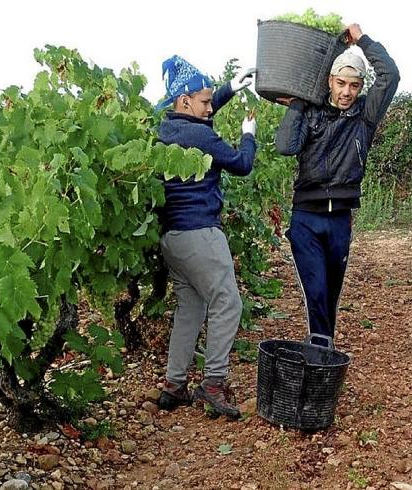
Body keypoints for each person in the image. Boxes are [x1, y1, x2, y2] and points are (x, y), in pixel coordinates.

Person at [275, 23, 400, 344]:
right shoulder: (312, 112)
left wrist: (362, 41)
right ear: (329, 81)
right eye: (341, 83)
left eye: (354, 85)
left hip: (340, 219)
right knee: (315, 287)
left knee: (329, 293)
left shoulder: (364, 117)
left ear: (360, 87)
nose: (346, 92)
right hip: (306, 217)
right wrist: (299, 103)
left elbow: (390, 76)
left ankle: (322, 351)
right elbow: (286, 145)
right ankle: (320, 349)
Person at [154, 55, 258, 419]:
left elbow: (197, 115)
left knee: (190, 308)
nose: (210, 106)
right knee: (228, 303)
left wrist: (230, 87)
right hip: (201, 234)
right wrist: (249, 137)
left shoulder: (163, 128)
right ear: (184, 101)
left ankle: (174, 384)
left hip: (172, 239)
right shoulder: (201, 135)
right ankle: (213, 384)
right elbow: (241, 165)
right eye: (205, 100)